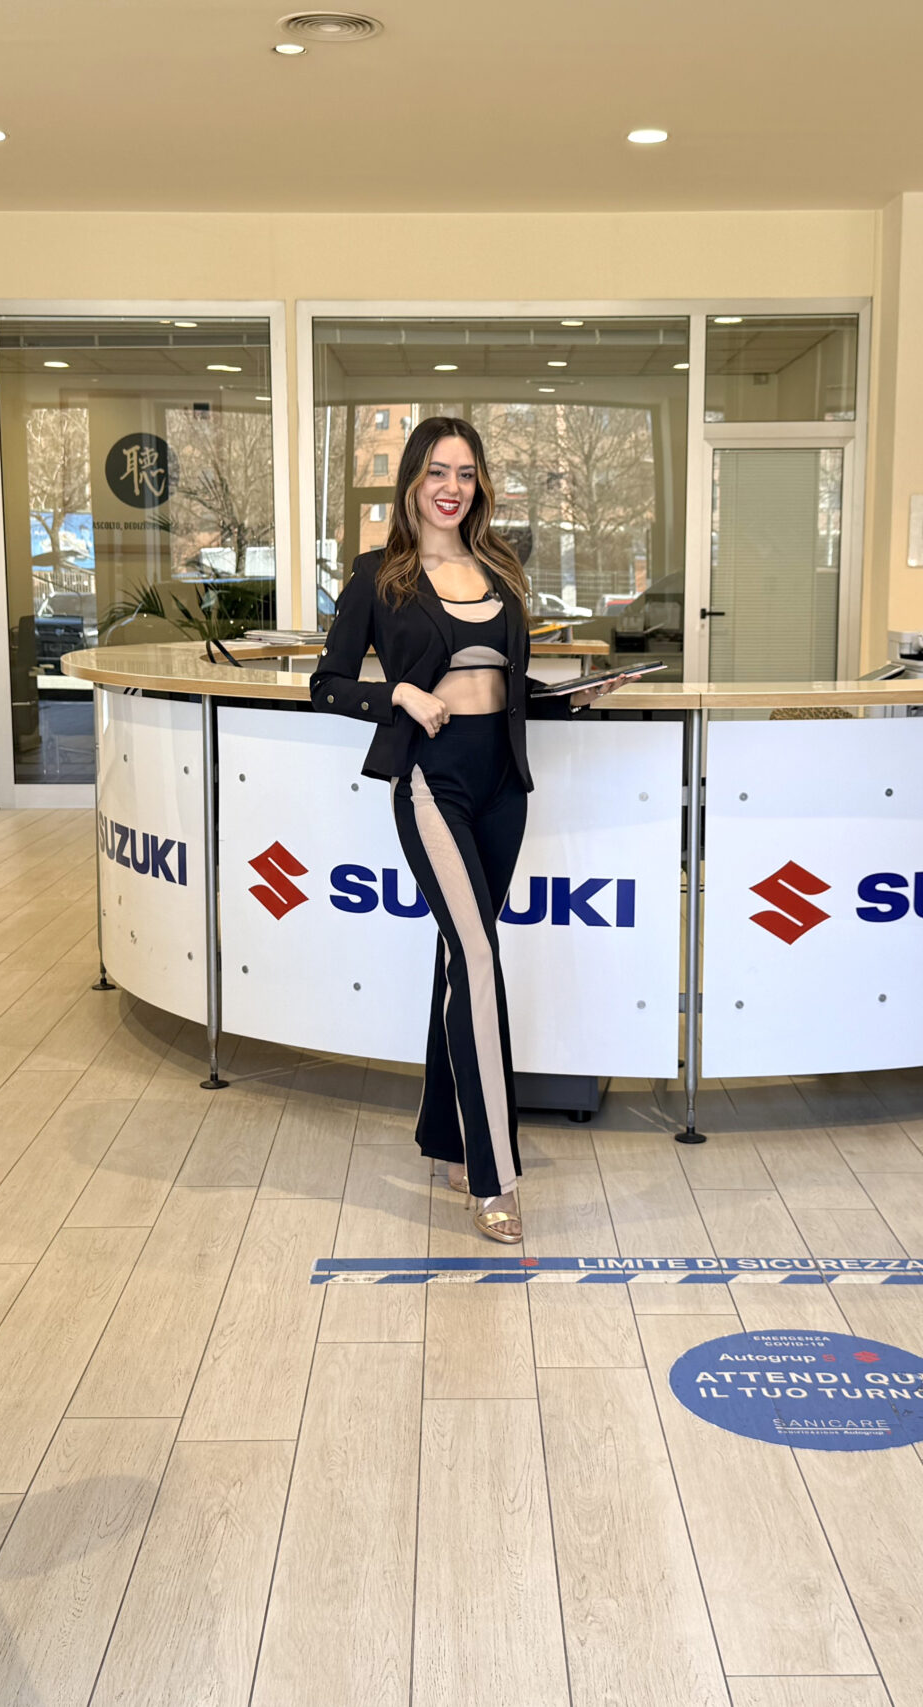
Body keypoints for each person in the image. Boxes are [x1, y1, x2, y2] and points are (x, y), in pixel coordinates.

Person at [309, 416, 613, 1243]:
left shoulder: (500, 568)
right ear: (412, 480)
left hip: (502, 782)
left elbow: (504, 681)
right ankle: (493, 1175)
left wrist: (570, 698)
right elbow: (327, 683)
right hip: (431, 780)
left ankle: (446, 1137)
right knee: (479, 955)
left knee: (459, 955)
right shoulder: (379, 576)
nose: (453, 487)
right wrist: (399, 695)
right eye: (438, 471)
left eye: (467, 473)